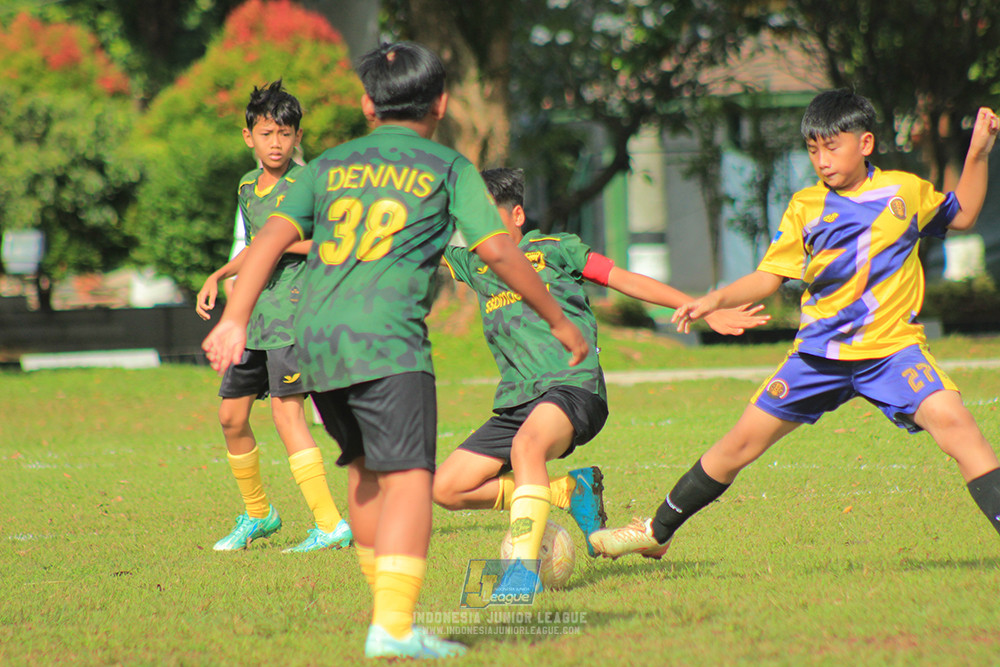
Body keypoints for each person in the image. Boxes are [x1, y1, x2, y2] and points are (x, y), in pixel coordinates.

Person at [201, 42, 588, 660]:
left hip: (316, 336)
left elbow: (269, 237)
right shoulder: (446, 165)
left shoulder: (329, 165)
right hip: (386, 338)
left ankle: (387, 617)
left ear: (366, 105)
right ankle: (395, 626)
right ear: (440, 104)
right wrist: (559, 320)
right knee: (409, 481)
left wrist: (235, 317)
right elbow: (497, 249)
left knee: (362, 473)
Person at [589, 90, 1000, 560]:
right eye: (813, 149)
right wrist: (715, 299)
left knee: (956, 423)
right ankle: (656, 530)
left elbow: (963, 214)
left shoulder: (904, 191)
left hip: (891, 351)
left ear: (865, 143)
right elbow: (769, 277)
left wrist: (977, 153)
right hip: (817, 357)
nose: (822, 160)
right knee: (739, 444)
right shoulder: (806, 206)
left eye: (832, 147)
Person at [433, 167, 769, 594]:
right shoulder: (473, 264)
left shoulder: (554, 249)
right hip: (518, 401)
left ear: (517, 215)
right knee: (447, 488)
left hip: (572, 387)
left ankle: (521, 572)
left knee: (526, 447)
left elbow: (623, 279)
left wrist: (700, 307)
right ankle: (566, 491)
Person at [196, 81, 352, 554]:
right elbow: (255, 246)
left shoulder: (308, 185)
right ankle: (258, 513)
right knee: (230, 416)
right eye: (267, 134)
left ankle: (330, 525)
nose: (276, 143)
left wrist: (284, 242)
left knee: (287, 415)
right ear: (249, 137)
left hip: (294, 316)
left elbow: (333, 244)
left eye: (285, 134)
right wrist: (219, 273)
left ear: (298, 136)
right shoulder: (247, 187)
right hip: (254, 319)